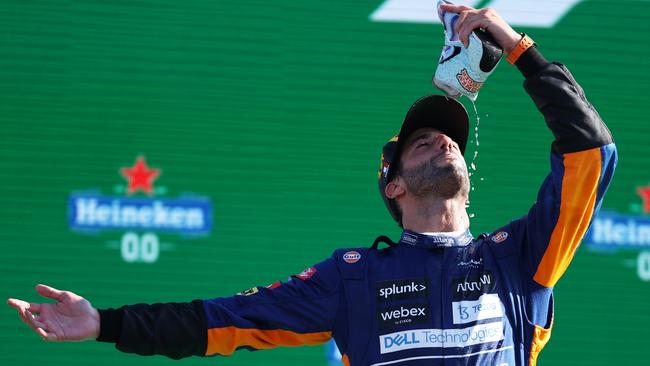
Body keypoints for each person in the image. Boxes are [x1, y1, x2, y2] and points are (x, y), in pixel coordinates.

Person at [7, 4, 617, 366]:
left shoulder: (523, 257)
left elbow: (591, 152)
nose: (442, 141)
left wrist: (519, 52)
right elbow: (222, 321)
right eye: (419, 142)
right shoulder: (354, 278)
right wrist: (105, 324)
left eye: (449, 138)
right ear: (395, 186)